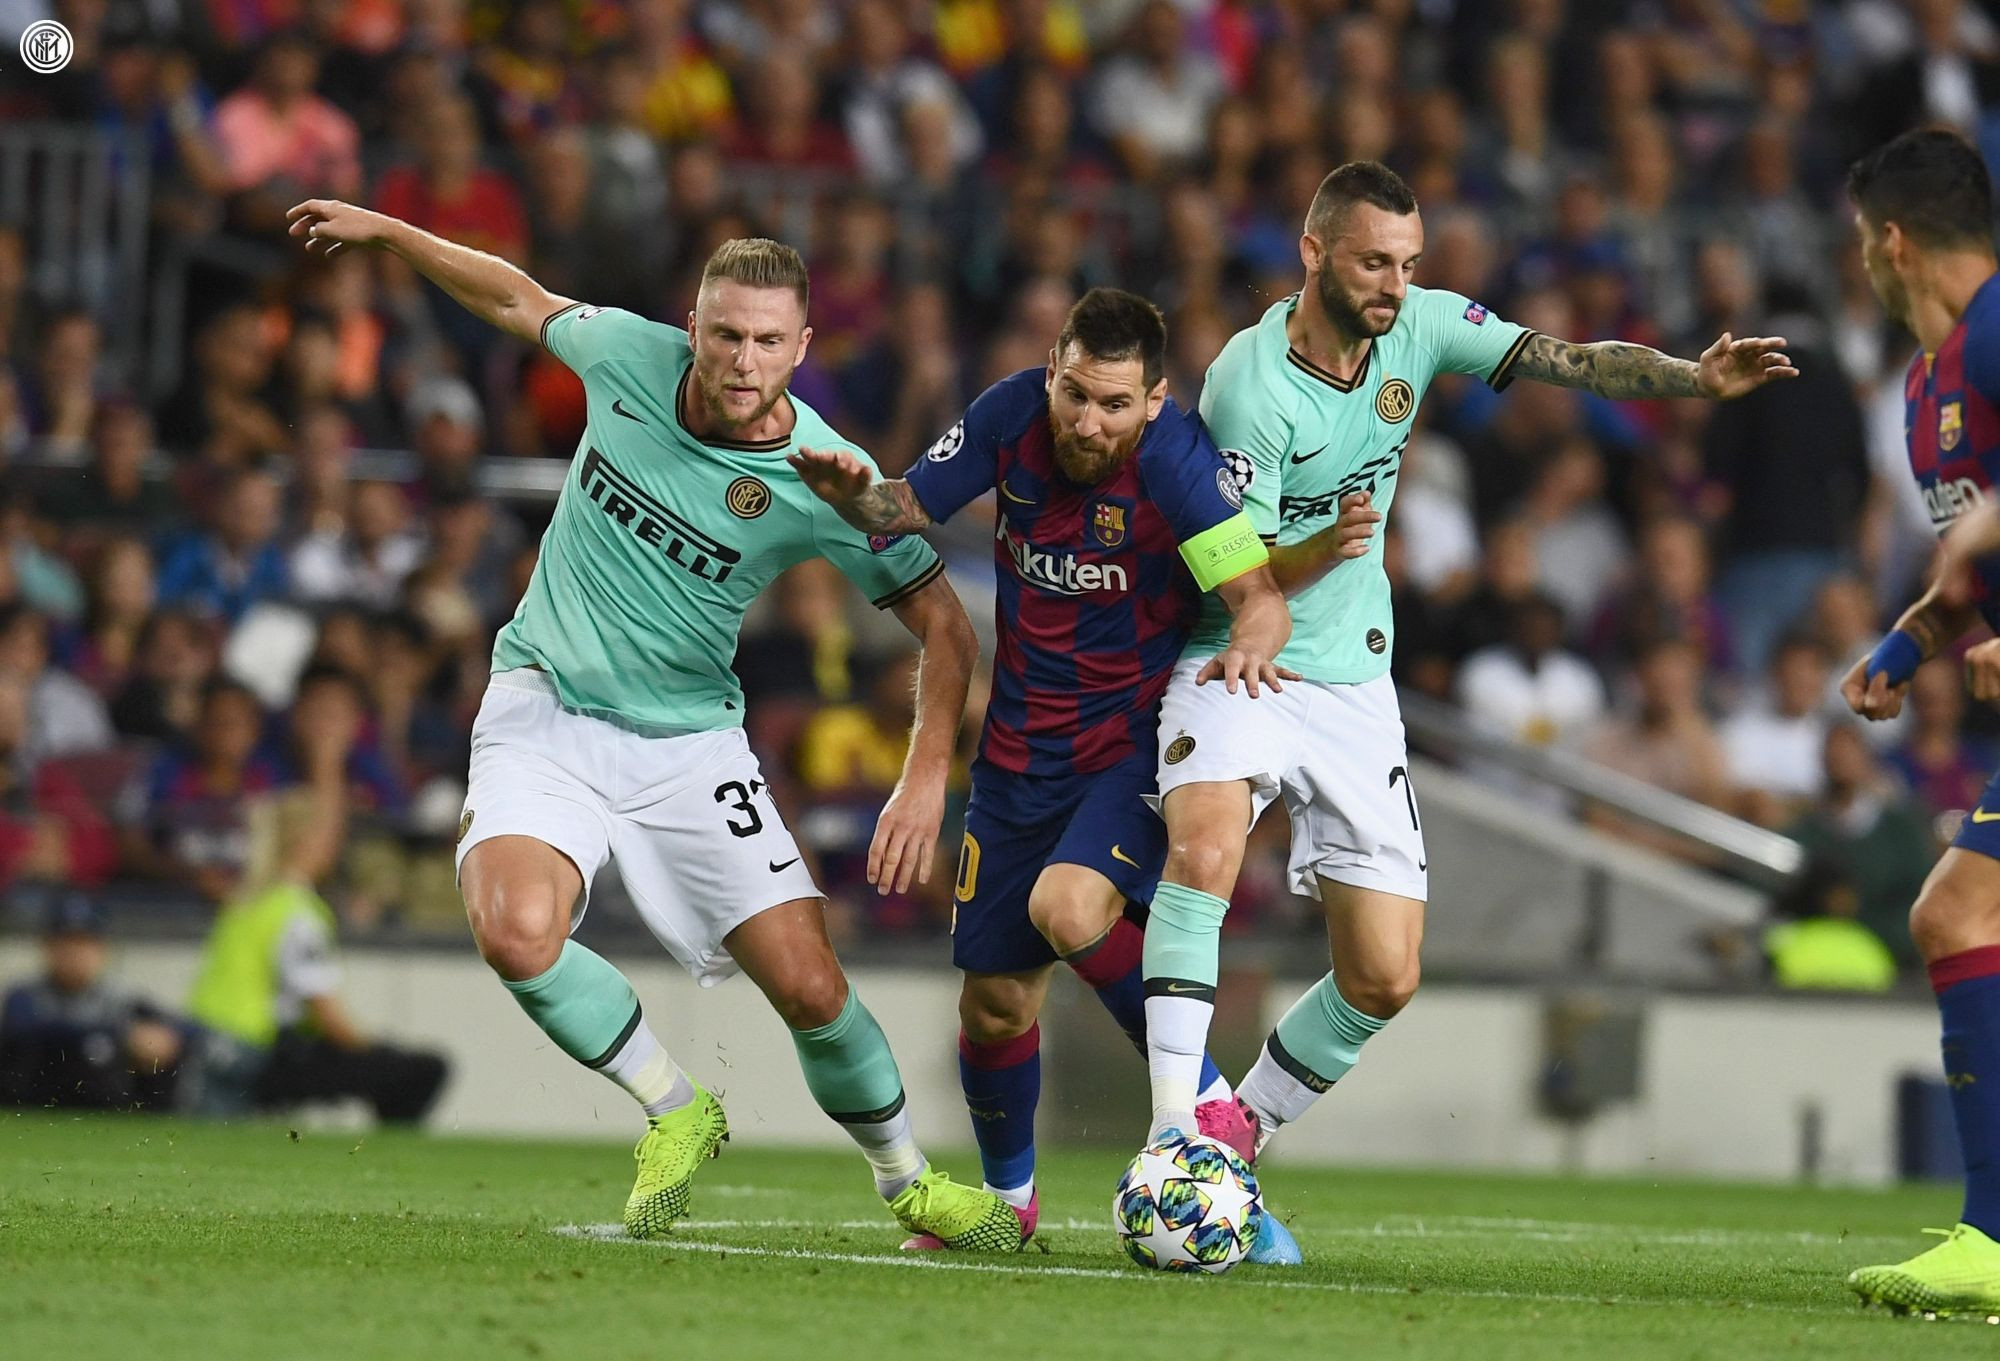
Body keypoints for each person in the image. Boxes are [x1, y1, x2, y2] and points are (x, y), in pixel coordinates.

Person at [285, 197, 1020, 1250]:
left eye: (767, 341)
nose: (742, 359)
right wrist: (393, 233)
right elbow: (514, 295)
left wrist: (921, 773)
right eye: (725, 333)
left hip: (688, 745)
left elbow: (944, 623)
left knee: (812, 987)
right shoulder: (625, 355)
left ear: (802, 347)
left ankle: (908, 1182)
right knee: (515, 933)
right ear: (692, 326)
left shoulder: (828, 476)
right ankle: (675, 1106)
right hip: (544, 707)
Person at [1138, 160, 1793, 1204]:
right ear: (1312, 253)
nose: (1394, 286)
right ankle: (1172, 1129)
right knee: (1206, 849)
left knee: (1384, 975)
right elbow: (1237, 575)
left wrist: (1690, 378)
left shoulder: (1422, 325)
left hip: (1353, 681)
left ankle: (1235, 1131)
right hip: (1239, 657)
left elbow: (1571, 362)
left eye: (1408, 264)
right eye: (1372, 263)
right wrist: (1326, 545)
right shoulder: (1248, 384)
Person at [792, 286, 1300, 1252]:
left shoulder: (1178, 464)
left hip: (1132, 746)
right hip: (1019, 754)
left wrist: (1251, 641)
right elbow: (902, 506)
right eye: (1075, 394)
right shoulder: (1010, 414)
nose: (1087, 421)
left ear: (1153, 400)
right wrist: (850, 492)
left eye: (1114, 404)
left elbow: (1259, 594)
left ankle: (1213, 1132)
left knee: (1068, 907)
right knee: (994, 1005)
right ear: (1054, 370)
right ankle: (1009, 1208)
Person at [1835, 127, 2000, 1314]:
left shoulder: (1993, 333)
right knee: (1955, 912)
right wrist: (1903, 647)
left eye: (1859, 241)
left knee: (1953, 910)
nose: (1858, 262)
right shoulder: (1921, 388)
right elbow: (1968, 573)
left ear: (1891, 242)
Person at [186, 781, 448, 1125]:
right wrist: (374, 1048)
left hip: (206, 1038)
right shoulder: (298, 912)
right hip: (257, 1049)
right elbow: (326, 1013)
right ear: (307, 841)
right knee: (420, 1070)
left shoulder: (246, 900)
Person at [0, 894, 183, 1111]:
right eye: (66, 943)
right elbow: (28, 1032)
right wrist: (117, 1037)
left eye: (84, 944)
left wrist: (156, 1040)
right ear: (48, 947)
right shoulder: (25, 995)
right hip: (34, 1106)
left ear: (102, 949)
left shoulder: (123, 999)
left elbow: (177, 1032)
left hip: (108, 1110)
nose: (74, 954)